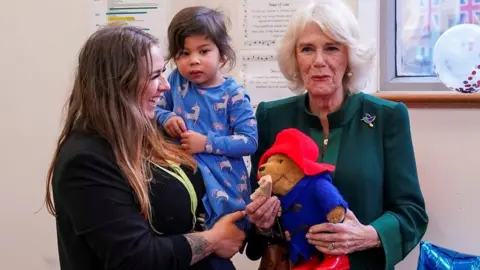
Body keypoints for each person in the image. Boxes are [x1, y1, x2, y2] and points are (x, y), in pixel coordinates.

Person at [43, 23, 249, 270]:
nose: (166, 86)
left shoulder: (152, 133)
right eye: (154, 76)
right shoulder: (86, 159)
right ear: (119, 84)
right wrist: (214, 240)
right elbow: (136, 259)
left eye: (163, 72)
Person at [245, 1, 429, 269]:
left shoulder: (387, 117)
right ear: (295, 58)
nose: (319, 61)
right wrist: (261, 223)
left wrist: (368, 235)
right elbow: (256, 202)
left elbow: (411, 212)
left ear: (350, 57)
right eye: (307, 49)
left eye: (332, 48)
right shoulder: (271, 117)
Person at [155, 6, 258, 231]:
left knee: (220, 243)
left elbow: (249, 141)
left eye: (203, 51)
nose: (193, 60)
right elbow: (155, 110)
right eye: (184, 53)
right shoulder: (175, 81)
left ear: (222, 54)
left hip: (225, 188)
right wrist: (167, 117)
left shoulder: (234, 94)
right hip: (183, 183)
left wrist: (206, 143)